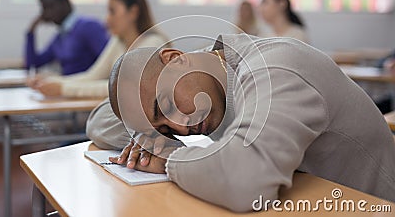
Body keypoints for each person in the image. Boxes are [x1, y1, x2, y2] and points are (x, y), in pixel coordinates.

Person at [88, 33, 395, 212]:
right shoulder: (208, 80)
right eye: (165, 128)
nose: (181, 128)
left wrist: (170, 157)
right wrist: (152, 136)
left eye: (166, 104)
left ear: (176, 58)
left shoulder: (275, 68)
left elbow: (245, 181)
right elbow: (99, 120)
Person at [30, 0, 168, 98]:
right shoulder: (118, 41)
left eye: (112, 11)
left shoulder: (153, 44)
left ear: (133, 12)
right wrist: (52, 82)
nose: (107, 19)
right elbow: (94, 76)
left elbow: (122, 89)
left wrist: (63, 88)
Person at [25, 0, 109, 75]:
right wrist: (31, 31)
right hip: (68, 86)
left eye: (50, 7)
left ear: (65, 4)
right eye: (44, 9)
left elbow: (109, 62)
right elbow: (33, 64)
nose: (46, 13)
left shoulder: (89, 26)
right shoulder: (59, 38)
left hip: (86, 86)